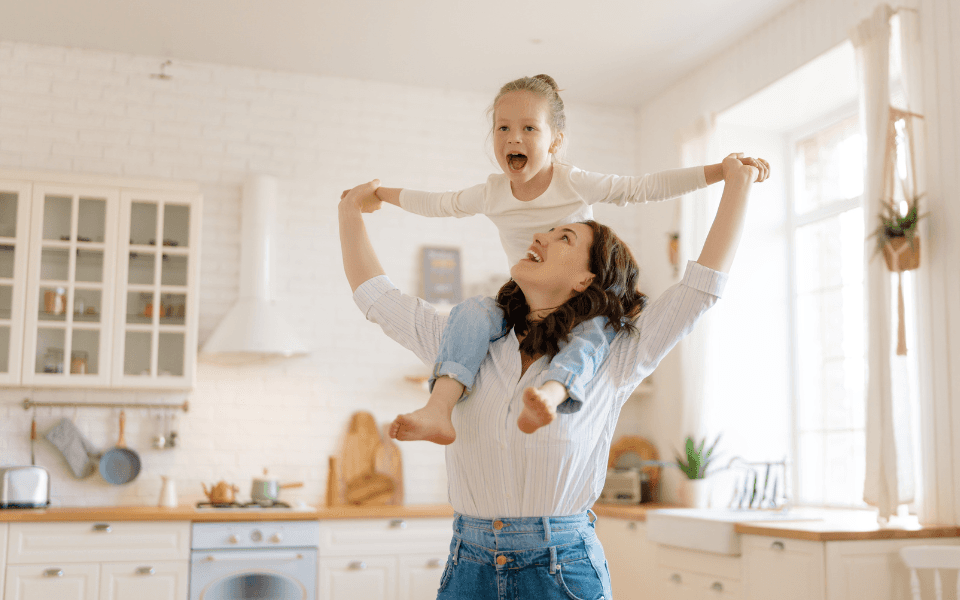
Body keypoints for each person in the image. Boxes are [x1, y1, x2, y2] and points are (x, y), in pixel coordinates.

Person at [339, 153, 769, 599]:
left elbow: (702, 287)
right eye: (544, 231)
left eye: (563, 237)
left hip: (560, 571)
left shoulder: (617, 352)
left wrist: (736, 183)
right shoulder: (463, 344)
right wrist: (350, 213)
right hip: (469, 568)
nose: (540, 236)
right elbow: (377, 298)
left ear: (587, 278)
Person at [346, 74, 736, 446]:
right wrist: (378, 195)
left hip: (580, 303)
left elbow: (642, 188)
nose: (514, 137)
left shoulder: (573, 181)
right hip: (521, 298)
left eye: (529, 128)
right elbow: (436, 204)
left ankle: (551, 395)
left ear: (555, 141)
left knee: (588, 337)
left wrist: (721, 172)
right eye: (502, 128)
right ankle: (438, 408)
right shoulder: (492, 192)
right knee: (473, 312)